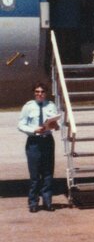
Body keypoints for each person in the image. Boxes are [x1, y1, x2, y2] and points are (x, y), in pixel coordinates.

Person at [17, 82, 60, 212]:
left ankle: (47, 202)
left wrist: (56, 126)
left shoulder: (51, 105)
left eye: (42, 92)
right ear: (34, 93)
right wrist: (34, 130)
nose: (39, 94)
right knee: (35, 175)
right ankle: (33, 203)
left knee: (48, 173)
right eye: (37, 92)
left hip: (47, 141)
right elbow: (21, 124)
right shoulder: (28, 107)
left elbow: (57, 122)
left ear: (45, 93)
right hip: (34, 142)